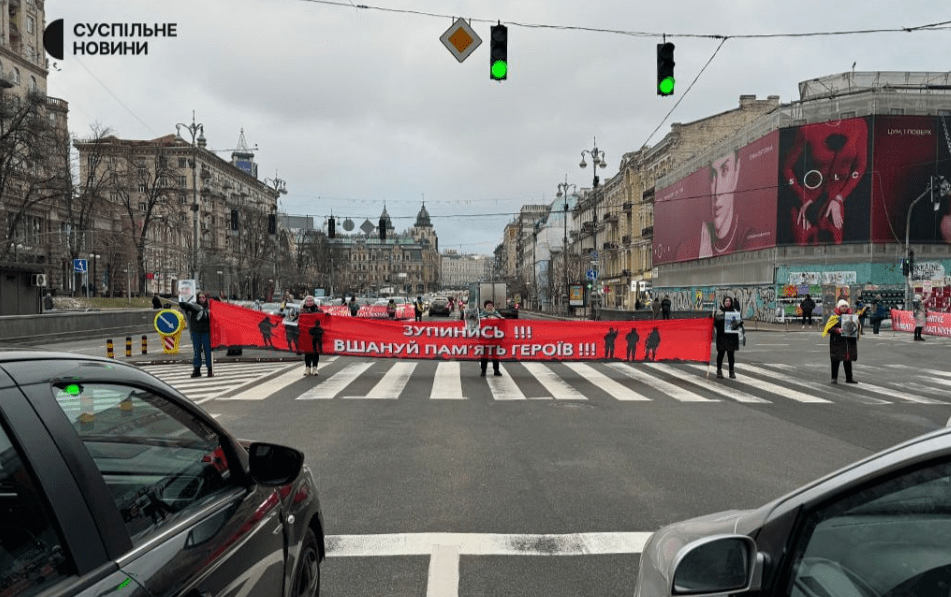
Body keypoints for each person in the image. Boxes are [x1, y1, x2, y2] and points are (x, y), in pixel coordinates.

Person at [823, 299, 858, 384]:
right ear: (839, 307)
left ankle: (849, 378)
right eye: (842, 306)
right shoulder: (834, 317)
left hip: (848, 342)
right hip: (837, 342)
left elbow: (856, 327)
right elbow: (828, 329)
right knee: (835, 360)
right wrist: (837, 330)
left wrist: (857, 325)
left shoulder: (852, 317)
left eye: (846, 306)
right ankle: (834, 378)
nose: (844, 308)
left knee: (847, 360)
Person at [179, 291, 213, 378]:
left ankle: (209, 369)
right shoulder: (193, 307)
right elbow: (184, 305)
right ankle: (197, 369)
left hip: (206, 332)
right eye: (200, 297)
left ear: (206, 299)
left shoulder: (210, 307)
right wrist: (182, 297)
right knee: (197, 351)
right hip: (196, 331)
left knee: (207, 351)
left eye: (203, 297)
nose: (201, 299)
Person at [713, 296, 742, 379]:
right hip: (722, 336)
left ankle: (731, 371)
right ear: (723, 302)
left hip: (731, 336)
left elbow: (738, 323)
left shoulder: (734, 311)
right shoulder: (719, 312)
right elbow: (715, 324)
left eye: (729, 301)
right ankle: (719, 370)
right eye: (726, 301)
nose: (728, 302)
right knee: (721, 354)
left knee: (731, 355)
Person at [479, 300, 503, 377]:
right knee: (484, 355)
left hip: (495, 338)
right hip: (484, 339)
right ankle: (483, 371)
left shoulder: (496, 314)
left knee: (495, 355)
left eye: (491, 305)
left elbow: (502, 322)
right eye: (488, 305)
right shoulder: (481, 315)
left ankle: (496, 370)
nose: (490, 306)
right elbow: (477, 324)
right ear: (485, 306)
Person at [300, 296, 320, 375]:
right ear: (305, 302)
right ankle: (307, 367)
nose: (309, 302)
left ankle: (315, 367)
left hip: (316, 334)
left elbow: (323, 320)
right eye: (307, 301)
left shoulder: (318, 310)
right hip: (306, 334)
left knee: (315, 351)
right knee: (307, 351)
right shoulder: (302, 311)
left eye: (311, 300)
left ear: (313, 302)